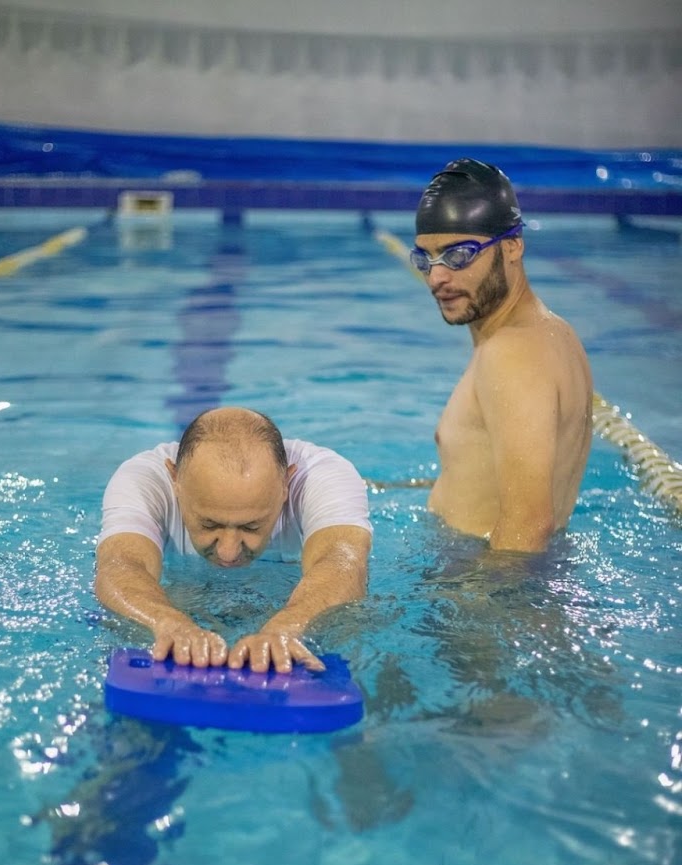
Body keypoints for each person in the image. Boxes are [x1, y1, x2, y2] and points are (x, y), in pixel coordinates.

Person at [94, 406, 372, 673]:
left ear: (287, 484)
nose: (228, 553)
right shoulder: (142, 480)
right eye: (209, 524)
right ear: (174, 480)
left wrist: (287, 627)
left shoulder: (324, 477)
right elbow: (120, 566)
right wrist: (169, 623)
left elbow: (343, 565)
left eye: (251, 527)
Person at [408, 158, 593, 553]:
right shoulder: (553, 333)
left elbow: (529, 523)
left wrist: (485, 609)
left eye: (458, 255)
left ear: (512, 246)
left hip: (482, 589)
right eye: (426, 259)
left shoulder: (512, 353)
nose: (438, 277)